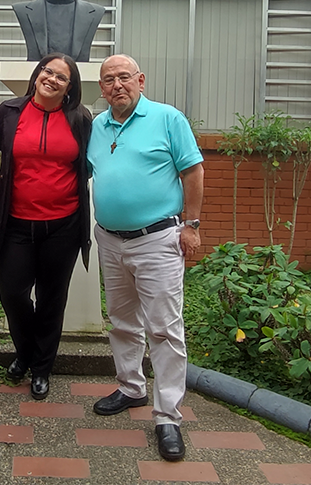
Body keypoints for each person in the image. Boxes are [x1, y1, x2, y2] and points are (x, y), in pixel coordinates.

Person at [87, 54, 204, 462]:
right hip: (111, 240)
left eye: (124, 77)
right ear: (100, 89)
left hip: (157, 240)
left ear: (140, 80)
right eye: (108, 80)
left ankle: (167, 416)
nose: (116, 85)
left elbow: (192, 171)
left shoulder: (168, 118)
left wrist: (191, 225)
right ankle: (131, 386)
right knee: (121, 320)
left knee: (164, 328)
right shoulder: (98, 127)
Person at [0, 53, 92, 400]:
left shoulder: (79, 118)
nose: (52, 79)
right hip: (16, 223)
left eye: (62, 77)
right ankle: (26, 352)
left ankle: (41, 368)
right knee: (13, 294)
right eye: (48, 71)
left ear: (70, 86)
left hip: (63, 225)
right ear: (37, 74)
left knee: (51, 299)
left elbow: (91, 162)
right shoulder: (9, 113)